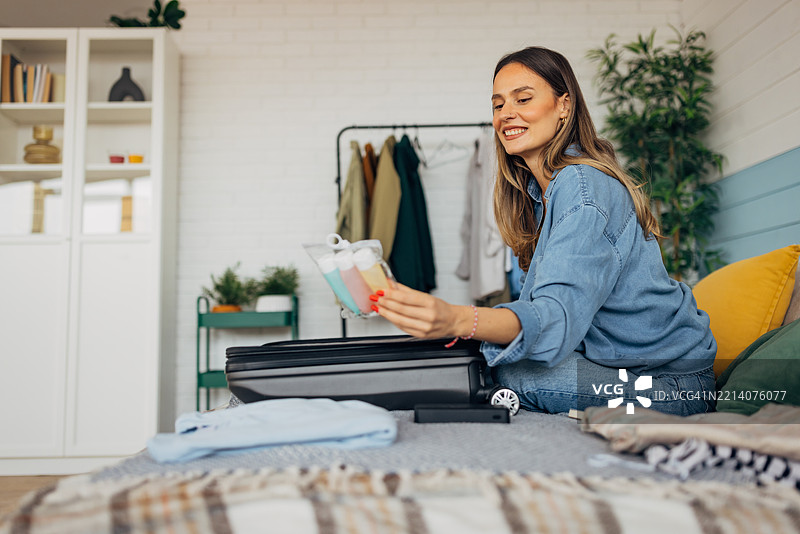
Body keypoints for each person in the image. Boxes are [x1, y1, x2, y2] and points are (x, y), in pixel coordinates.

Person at [368, 46, 717, 416]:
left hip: (671, 385)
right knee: (488, 359)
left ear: (563, 105)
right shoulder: (539, 194)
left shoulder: (581, 185)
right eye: (498, 104)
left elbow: (557, 318)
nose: (506, 114)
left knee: (514, 372)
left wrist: (458, 319)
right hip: (622, 367)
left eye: (523, 98)